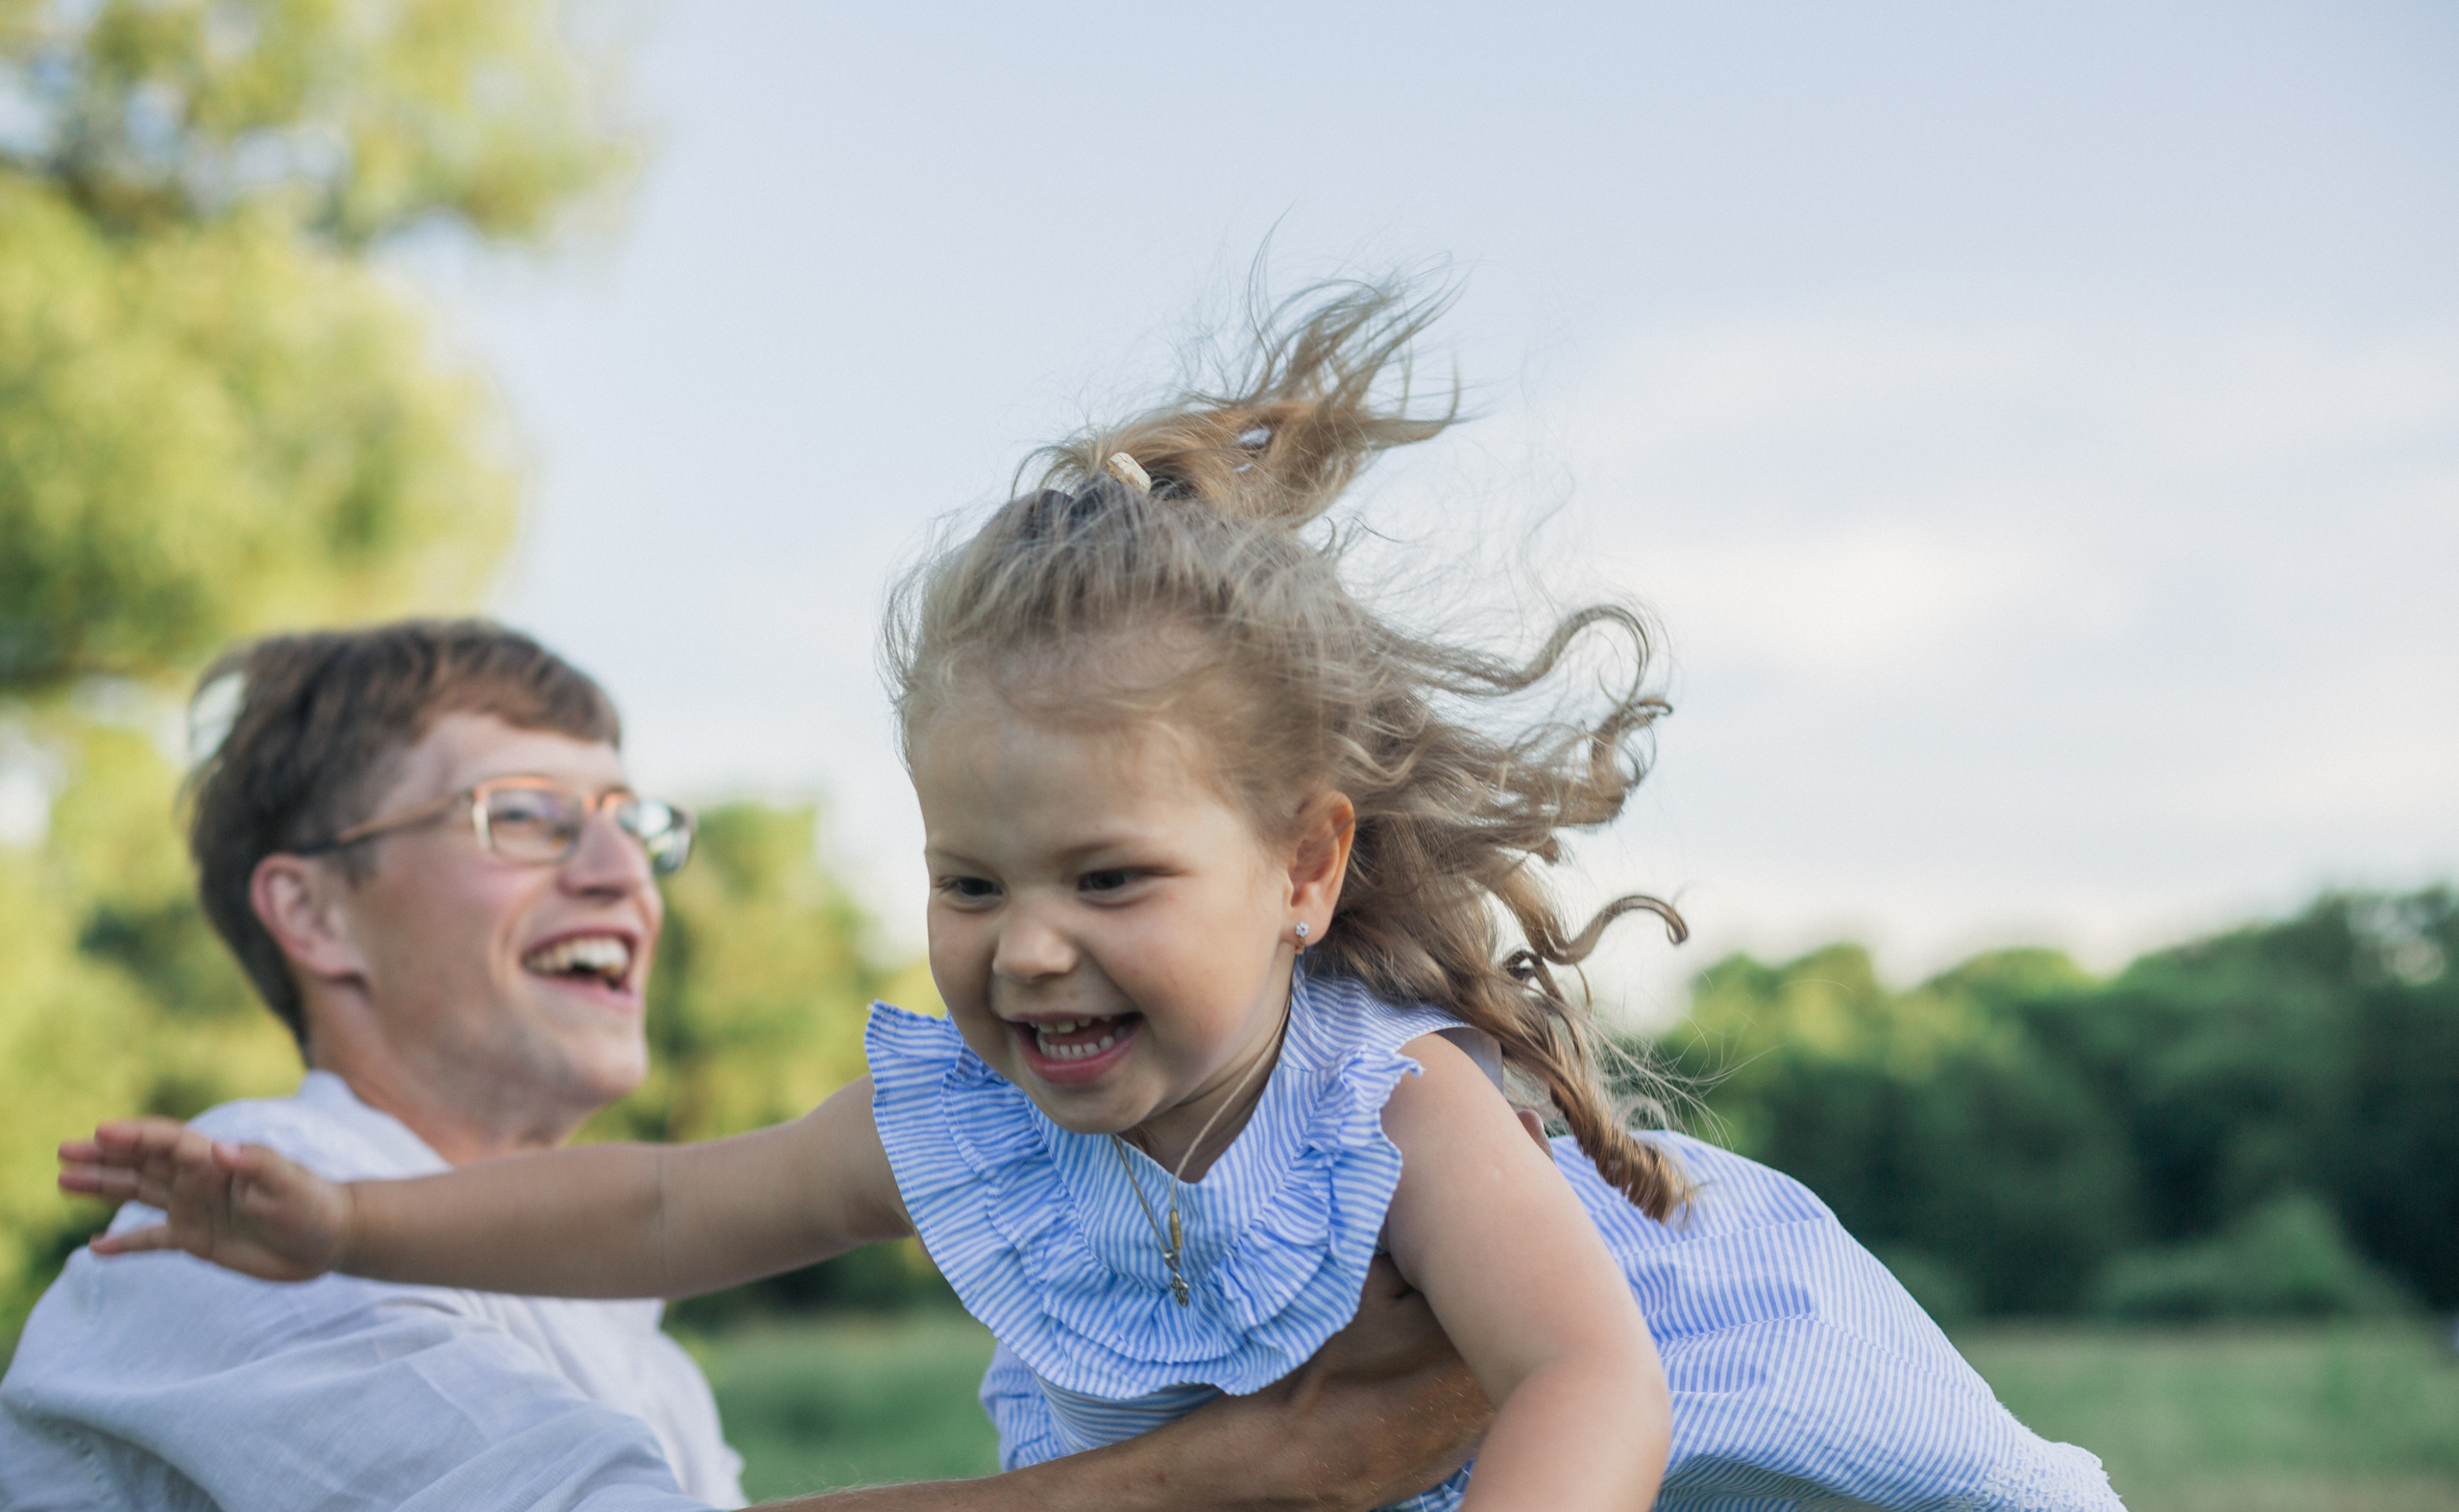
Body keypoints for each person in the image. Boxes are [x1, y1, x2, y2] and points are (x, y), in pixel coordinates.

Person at [68, 286, 2127, 1509]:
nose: (1023, 941)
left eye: (1107, 876)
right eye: (967, 878)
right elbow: (670, 1204)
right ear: (304, 909)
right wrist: (343, 1227)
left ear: (1305, 865)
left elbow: (1594, 1377)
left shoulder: (1388, 1102)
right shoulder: (958, 1117)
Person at [8, 620, 1485, 1512]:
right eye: (521, 815)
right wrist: (1260, 1471)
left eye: (633, 825)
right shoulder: (226, 1249)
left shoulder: (635, 1360)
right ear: (312, 908)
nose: (619, 873)